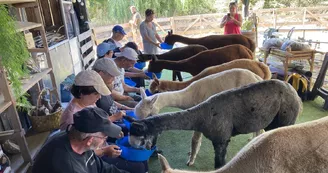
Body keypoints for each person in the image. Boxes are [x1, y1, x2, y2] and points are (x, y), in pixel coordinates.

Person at [32, 107, 128, 173]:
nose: (104, 141)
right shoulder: (68, 166)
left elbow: (103, 168)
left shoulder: (77, 138)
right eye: (104, 137)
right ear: (90, 140)